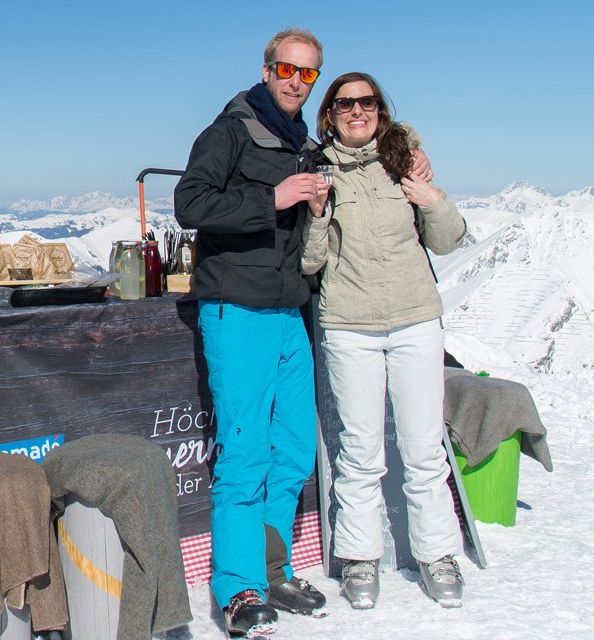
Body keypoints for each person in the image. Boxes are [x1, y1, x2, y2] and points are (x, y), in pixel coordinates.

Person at [172, 27, 332, 637]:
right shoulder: (230, 130)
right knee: (244, 455)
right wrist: (274, 198)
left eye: (308, 73)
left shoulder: (303, 142)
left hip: (289, 312)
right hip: (237, 309)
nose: (296, 80)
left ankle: (274, 569)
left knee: (291, 449)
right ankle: (237, 588)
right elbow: (190, 204)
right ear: (266, 70)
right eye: (286, 69)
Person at [302, 72, 469, 609]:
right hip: (350, 324)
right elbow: (311, 262)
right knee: (360, 451)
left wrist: (431, 197)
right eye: (345, 104)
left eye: (367, 102)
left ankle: (437, 553)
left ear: (380, 110)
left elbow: (447, 241)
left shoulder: (405, 162)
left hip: (416, 319)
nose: (357, 111)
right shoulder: (317, 170)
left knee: (423, 448)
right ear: (329, 114)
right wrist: (317, 215)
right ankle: (359, 557)